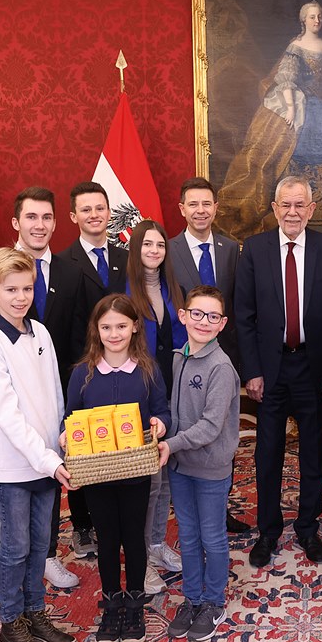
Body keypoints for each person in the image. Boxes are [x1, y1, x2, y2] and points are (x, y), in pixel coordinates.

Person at [0, 187, 83, 608]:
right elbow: (7, 415)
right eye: (11, 290)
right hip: (13, 464)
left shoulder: (42, 333)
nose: (20, 297)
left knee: (38, 544)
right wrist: (50, 459)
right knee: (14, 546)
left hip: (45, 456)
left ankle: (34, 611)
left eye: (27, 290)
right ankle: (9, 608)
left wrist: (61, 436)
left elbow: (53, 393)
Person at [235, 175, 322, 568]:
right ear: (274, 208)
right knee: (268, 453)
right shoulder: (254, 249)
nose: (293, 212)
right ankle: (268, 530)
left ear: (312, 209)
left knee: (315, 451)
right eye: (286, 204)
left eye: (300, 205)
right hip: (269, 368)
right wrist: (252, 371)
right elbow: (244, 316)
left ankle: (307, 527)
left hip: (313, 368)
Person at [219, 1, 322, 236]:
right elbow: (287, 78)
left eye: (319, 16)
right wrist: (290, 108)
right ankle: (307, 204)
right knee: (309, 144)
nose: (317, 20)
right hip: (306, 104)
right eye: (311, 17)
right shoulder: (296, 46)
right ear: (304, 21)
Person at [63, 294, 171, 642]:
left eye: (121, 326)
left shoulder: (148, 370)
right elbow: (70, 416)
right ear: (96, 329)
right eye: (106, 327)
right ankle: (111, 600)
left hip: (136, 471)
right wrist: (65, 435)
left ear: (135, 327)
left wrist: (159, 424)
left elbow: (162, 411)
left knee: (134, 536)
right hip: (97, 475)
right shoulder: (83, 372)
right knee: (107, 538)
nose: (114, 333)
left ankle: (135, 599)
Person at [158, 286, 241, 642]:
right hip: (180, 466)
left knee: (212, 537)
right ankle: (192, 599)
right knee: (188, 537)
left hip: (209, 468)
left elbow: (210, 425)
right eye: (197, 313)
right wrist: (162, 430)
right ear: (183, 315)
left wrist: (170, 443)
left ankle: (213, 601)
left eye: (212, 316)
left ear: (222, 324)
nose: (203, 322)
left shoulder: (221, 368)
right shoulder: (180, 358)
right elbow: (177, 413)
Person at [166, 177, 249, 535]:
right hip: (184, 357)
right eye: (193, 204)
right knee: (187, 425)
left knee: (222, 433)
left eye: (207, 204)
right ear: (182, 209)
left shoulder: (231, 249)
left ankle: (220, 507)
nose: (201, 211)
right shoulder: (167, 251)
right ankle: (183, 501)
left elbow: (239, 305)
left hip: (222, 358)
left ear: (216, 208)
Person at [59, 181, 126, 560]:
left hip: (121, 363)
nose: (95, 215)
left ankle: (116, 514)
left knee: (119, 437)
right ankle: (83, 524)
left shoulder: (125, 255)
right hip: (81, 368)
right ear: (74, 216)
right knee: (83, 447)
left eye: (100, 208)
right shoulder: (61, 262)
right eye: (86, 209)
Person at [123, 218, 186, 590]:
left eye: (160, 245)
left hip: (171, 391)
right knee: (145, 482)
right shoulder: (124, 289)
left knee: (163, 477)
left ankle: (157, 542)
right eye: (147, 244)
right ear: (136, 248)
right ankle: (140, 556)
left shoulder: (172, 288)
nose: (153, 251)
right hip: (139, 393)